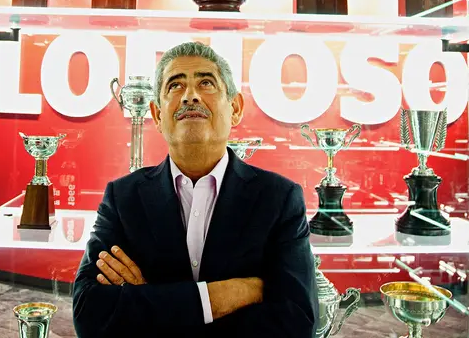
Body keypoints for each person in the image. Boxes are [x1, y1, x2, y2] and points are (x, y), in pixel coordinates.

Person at [72, 41, 318, 338]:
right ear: (157, 114)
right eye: (175, 86)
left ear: (235, 108)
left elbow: (296, 323)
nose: (190, 96)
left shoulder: (279, 199)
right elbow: (89, 314)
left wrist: (152, 301)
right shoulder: (123, 199)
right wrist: (225, 296)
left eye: (206, 83)